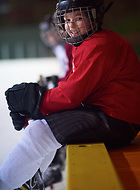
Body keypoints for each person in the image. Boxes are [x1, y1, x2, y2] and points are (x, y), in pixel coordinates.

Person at [0, 0, 140, 190]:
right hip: (115, 116)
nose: (71, 25)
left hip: (117, 119)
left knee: (39, 132)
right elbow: (73, 88)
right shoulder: (87, 44)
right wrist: (37, 105)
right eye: (66, 20)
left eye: (79, 18)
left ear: (95, 17)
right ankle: (28, 182)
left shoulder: (99, 45)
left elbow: (71, 95)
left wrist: (36, 101)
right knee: (41, 126)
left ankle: (9, 184)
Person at [38, 14, 73, 188]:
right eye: (47, 35)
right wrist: (57, 79)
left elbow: (73, 74)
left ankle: (55, 166)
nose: (50, 37)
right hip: (73, 88)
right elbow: (67, 71)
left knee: (54, 117)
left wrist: (59, 83)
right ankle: (53, 164)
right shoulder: (59, 48)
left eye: (51, 32)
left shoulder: (68, 46)